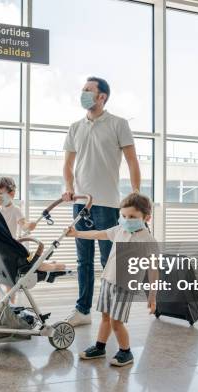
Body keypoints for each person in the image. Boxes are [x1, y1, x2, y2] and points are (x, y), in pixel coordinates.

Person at [63, 76, 141, 326]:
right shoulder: (75, 127)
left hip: (107, 203)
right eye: (82, 89)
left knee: (109, 260)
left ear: (102, 97)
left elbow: (132, 161)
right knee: (83, 260)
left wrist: (136, 193)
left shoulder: (118, 124)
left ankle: (111, 310)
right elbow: (67, 164)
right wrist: (68, 188)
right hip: (81, 203)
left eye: (88, 90)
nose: (83, 94)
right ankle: (83, 311)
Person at [67, 192, 157, 367]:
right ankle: (100, 347)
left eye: (132, 217)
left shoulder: (148, 241)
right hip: (108, 280)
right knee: (105, 317)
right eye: (123, 216)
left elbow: (154, 270)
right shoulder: (119, 230)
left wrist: (152, 295)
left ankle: (126, 352)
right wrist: (76, 233)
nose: (126, 219)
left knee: (117, 322)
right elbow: (98, 234)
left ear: (147, 218)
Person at [0, 176, 35, 302]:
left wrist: (29, 225)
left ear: (11, 194)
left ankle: (10, 305)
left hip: (9, 249)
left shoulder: (15, 210)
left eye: (1, 194)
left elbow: (23, 224)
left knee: (9, 279)